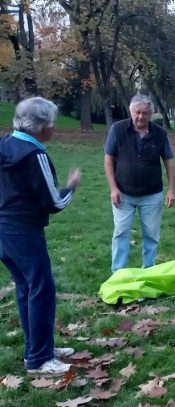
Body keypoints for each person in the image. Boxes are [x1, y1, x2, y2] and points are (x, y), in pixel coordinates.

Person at [0, 97, 80, 375]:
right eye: (52, 123)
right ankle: (40, 359)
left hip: (4, 231)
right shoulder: (35, 154)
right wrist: (71, 187)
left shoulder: (4, 145)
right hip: (23, 231)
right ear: (43, 126)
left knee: (27, 289)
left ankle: (36, 349)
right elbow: (53, 202)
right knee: (42, 289)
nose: (54, 128)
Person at [104, 94, 175, 272]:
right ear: (131, 112)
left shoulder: (160, 134)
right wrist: (113, 189)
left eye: (145, 113)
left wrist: (171, 190)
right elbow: (108, 159)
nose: (141, 116)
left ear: (151, 114)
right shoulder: (118, 129)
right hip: (123, 193)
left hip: (152, 194)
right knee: (121, 232)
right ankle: (119, 273)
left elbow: (169, 161)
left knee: (151, 235)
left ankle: (148, 271)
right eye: (137, 112)